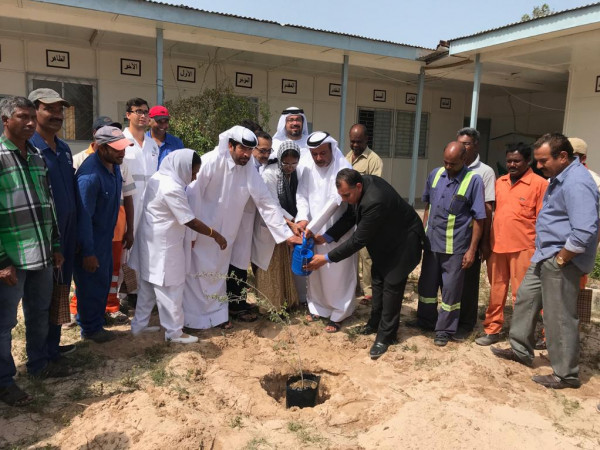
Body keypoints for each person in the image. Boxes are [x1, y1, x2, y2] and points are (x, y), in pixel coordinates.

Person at [491, 133, 599, 389]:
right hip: (544, 254)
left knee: (558, 316)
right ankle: (520, 349)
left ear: (563, 156)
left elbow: (585, 230)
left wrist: (561, 259)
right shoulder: (560, 177)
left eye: (543, 161)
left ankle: (565, 374)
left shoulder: (577, 183)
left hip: (561, 260)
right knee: (526, 299)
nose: (538, 166)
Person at [183, 126, 294, 329]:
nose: (246, 155)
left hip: (228, 233)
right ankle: (193, 319)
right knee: (200, 274)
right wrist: (190, 234)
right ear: (230, 146)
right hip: (203, 232)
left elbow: (265, 201)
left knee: (219, 275)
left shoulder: (248, 168)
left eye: (250, 150)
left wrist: (286, 234)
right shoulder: (210, 162)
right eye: (242, 149)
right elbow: (192, 197)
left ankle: (216, 316)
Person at [306, 169, 424, 358]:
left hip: (404, 243)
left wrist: (326, 259)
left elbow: (357, 241)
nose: (344, 199)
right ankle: (374, 323)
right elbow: (350, 216)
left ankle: (386, 337)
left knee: (391, 287)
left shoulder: (375, 200)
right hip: (385, 242)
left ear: (358, 186)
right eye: (341, 195)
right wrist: (327, 237)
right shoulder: (360, 187)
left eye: (346, 195)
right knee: (377, 281)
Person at [0, 96, 67, 406]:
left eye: (31, 117)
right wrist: (2, 261)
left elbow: (48, 204)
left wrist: (55, 245)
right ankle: (4, 382)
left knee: (39, 311)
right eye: (21, 117)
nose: (29, 123)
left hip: (41, 252)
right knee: (4, 323)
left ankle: (38, 364)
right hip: (11, 257)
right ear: (5, 121)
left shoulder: (38, 156)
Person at [130, 149, 227, 343]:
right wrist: (215, 235)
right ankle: (174, 332)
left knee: (148, 286)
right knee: (171, 288)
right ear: (182, 168)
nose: (194, 178)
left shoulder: (159, 177)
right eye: (193, 172)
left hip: (152, 241)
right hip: (164, 245)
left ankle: (138, 327)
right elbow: (190, 220)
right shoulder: (171, 187)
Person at [413, 142, 486, 346]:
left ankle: (444, 329)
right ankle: (426, 320)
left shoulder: (473, 181)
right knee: (427, 286)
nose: (447, 166)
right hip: (432, 244)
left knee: (451, 291)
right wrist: (423, 233)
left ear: (464, 159)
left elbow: (479, 218)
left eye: (452, 163)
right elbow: (428, 206)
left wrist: (472, 250)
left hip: (455, 247)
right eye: (445, 162)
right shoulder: (435, 174)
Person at [475, 143, 547, 345]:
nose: (512, 165)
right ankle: (492, 329)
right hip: (497, 247)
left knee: (522, 295)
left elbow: (543, 219)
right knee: (496, 292)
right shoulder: (500, 182)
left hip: (524, 248)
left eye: (517, 161)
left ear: (528, 161)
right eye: (509, 161)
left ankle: (527, 336)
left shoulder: (540, 184)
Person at [70, 116, 135, 325]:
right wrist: (88, 252)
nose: (122, 152)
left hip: (107, 238)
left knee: (104, 283)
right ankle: (90, 329)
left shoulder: (114, 168)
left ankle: (97, 322)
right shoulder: (90, 176)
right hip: (92, 242)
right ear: (102, 147)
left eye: (124, 148)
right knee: (90, 286)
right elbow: (84, 218)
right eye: (117, 149)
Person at [28, 88, 77, 360]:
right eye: (49, 109)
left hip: (66, 233)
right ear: (34, 111)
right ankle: (39, 357)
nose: (57, 115)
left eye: (60, 110)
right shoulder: (29, 148)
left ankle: (52, 347)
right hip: (43, 235)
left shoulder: (64, 149)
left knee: (61, 289)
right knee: (41, 297)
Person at [295, 131, 357, 332]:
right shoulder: (307, 167)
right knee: (316, 272)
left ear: (331, 148)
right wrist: (302, 217)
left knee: (337, 273)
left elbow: (334, 202)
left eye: (323, 153)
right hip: (312, 230)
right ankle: (318, 308)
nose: (319, 158)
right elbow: (301, 194)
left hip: (336, 231)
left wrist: (312, 228)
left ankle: (340, 313)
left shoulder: (343, 167)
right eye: (315, 154)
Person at [253, 141, 301, 310]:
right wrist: (291, 222)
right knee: (270, 265)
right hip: (270, 225)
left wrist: (293, 222)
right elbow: (272, 204)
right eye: (286, 163)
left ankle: (286, 302)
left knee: (283, 265)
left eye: (294, 163)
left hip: (286, 225)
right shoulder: (270, 174)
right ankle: (271, 306)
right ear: (280, 159)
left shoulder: (295, 175)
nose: (290, 167)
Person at [456, 127, 495, 333]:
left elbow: (487, 208)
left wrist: (483, 242)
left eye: (467, 144)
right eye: (459, 143)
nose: (462, 147)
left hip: (472, 235)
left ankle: (466, 322)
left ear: (476, 146)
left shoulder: (485, 172)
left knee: (469, 282)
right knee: (452, 280)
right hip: (453, 234)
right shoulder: (452, 166)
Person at [122, 98, 159, 306]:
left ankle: (139, 290)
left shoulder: (152, 144)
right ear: (128, 114)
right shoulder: (122, 140)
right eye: (138, 111)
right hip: (129, 200)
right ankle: (123, 293)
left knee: (145, 245)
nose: (143, 115)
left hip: (149, 202)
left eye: (146, 112)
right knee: (126, 246)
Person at [345, 123, 383, 305]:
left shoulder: (373, 160)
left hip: (364, 213)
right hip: (348, 214)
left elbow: (374, 188)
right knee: (350, 252)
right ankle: (353, 287)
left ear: (367, 139)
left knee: (366, 255)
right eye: (352, 141)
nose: (355, 145)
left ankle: (369, 292)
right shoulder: (346, 157)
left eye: (358, 141)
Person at [271, 107, 311, 172]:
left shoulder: (310, 142)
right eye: (291, 120)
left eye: (298, 120)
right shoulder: (275, 143)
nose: (295, 123)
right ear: (284, 123)